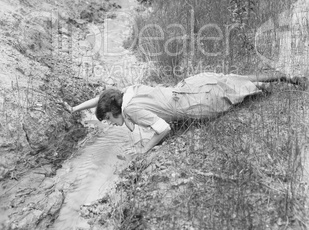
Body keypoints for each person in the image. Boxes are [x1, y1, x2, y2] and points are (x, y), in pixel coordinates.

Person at [67, 72, 307, 154]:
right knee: (236, 80)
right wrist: (76, 108)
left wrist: (143, 150)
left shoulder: (130, 109)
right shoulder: (126, 93)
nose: (109, 123)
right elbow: (100, 99)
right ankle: (285, 78)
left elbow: (163, 128)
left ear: (113, 110)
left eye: (108, 119)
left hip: (194, 105)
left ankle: (261, 89)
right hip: (190, 85)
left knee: (234, 96)